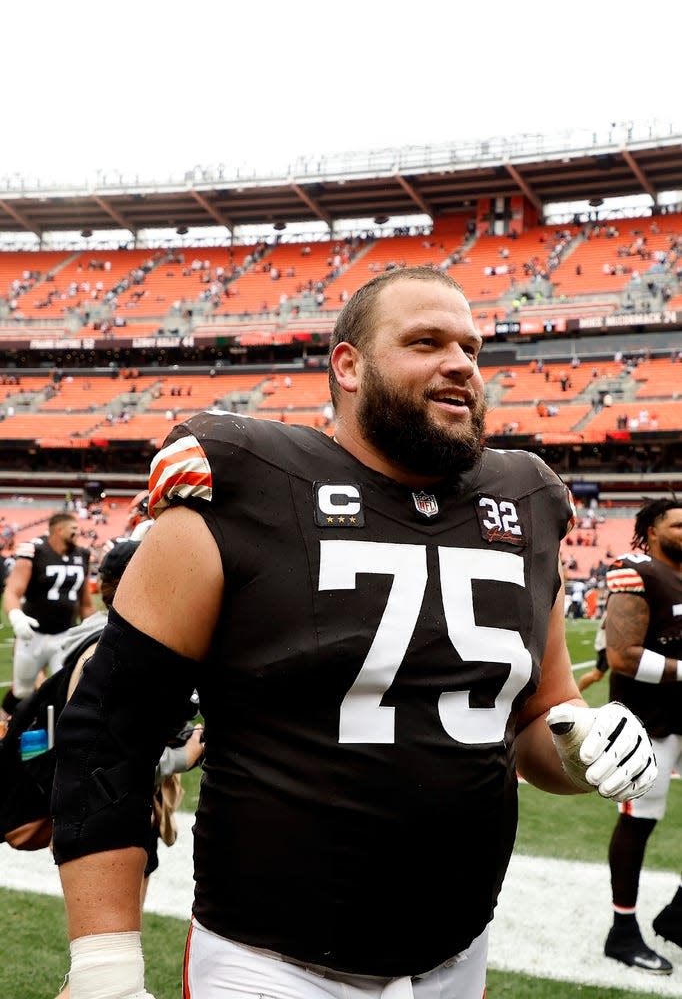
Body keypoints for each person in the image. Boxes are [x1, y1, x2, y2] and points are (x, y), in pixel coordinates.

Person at [51, 266, 656, 999]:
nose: (460, 363)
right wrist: (104, 964)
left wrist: (582, 749)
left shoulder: (524, 504)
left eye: (471, 347)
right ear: (348, 365)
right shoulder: (247, 485)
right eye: (425, 342)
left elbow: (536, 721)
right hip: (269, 963)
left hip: (456, 955)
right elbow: (110, 732)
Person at [53, 536, 204, 999]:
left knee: (96, 971)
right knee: (105, 974)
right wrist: (187, 755)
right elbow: (112, 749)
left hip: (83, 802)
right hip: (113, 809)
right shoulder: (117, 651)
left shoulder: (84, 635)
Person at [602, 498, 682, 974]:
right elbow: (623, 657)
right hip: (648, 723)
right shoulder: (638, 570)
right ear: (651, 530)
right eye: (678, 522)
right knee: (639, 821)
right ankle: (622, 930)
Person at [1, 512, 94, 725]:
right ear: (58, 530)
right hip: (33, 634)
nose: (77, 532)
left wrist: (92, 630)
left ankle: (53, 738)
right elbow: (12, 591)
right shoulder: (35, 551)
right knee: (23, 689)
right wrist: (16, 616)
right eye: (73, 529)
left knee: (64, 690)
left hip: (66, 636)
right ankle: (4, 723)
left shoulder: (82, 555)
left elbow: (86, 603)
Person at [577, 611, 609, 692]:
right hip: (607, 645)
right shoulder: (618, 603)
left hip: (608, 643)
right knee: (596, 675)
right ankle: (576, 694)